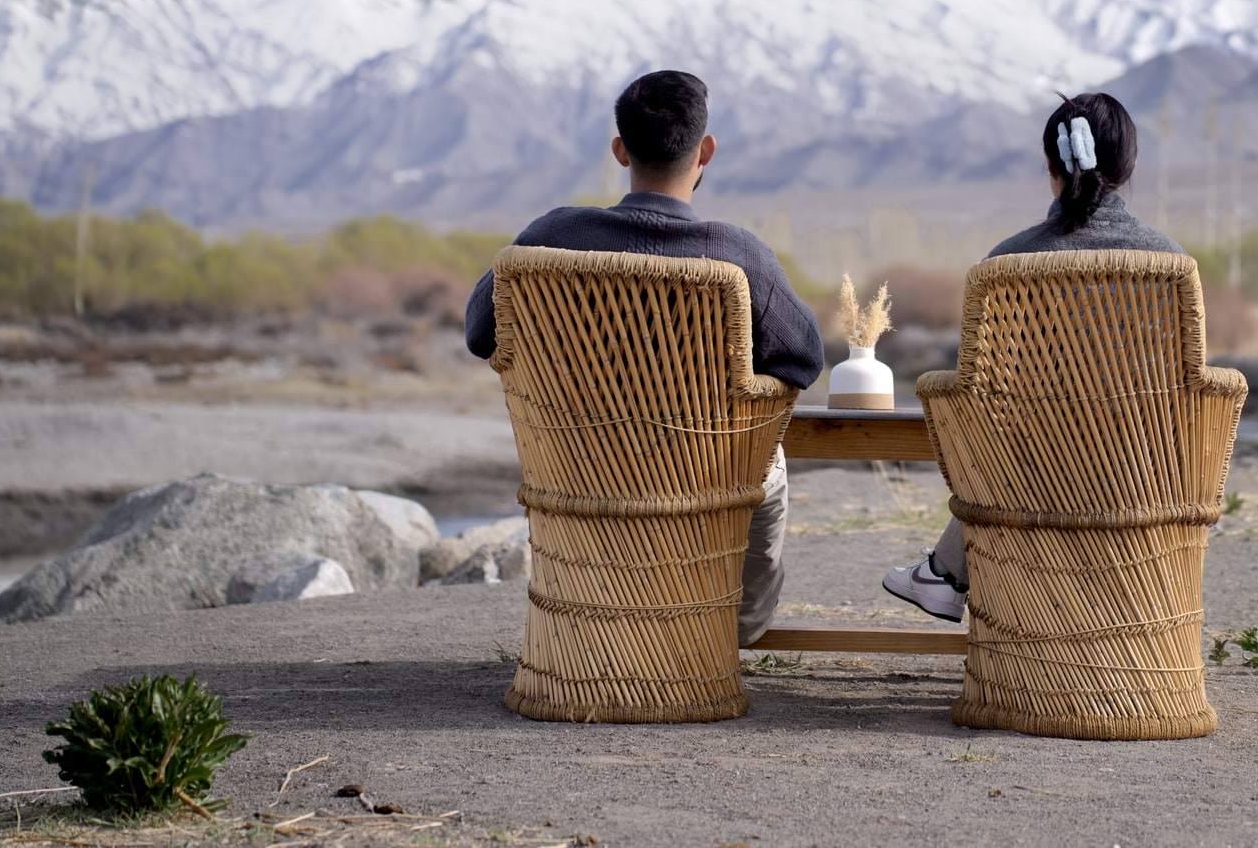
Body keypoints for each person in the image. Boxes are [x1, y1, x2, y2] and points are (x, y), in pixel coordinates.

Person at [464, 70, 824, 646]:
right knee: (768, 465)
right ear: (706, 150)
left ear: (619, 149)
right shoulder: (739, 256)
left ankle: (595, 616)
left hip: (577, 474)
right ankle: (725, 625)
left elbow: (480, 332)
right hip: (703, 480)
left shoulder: (548, 237)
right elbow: (802, 362)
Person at [881, 91, 1182, 622]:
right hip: (1148, 476)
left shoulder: (1012, 260)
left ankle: (946, 575)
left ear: (1051, 167)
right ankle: (943, 574)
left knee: (1020, 427)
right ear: (1128, 166)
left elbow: (982, 377)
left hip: (1031, 479)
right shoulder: (1170, 263)